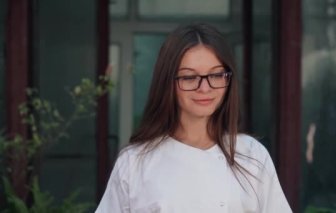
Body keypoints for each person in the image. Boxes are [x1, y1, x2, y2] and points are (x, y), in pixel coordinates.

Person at [96, 23, 292, 213]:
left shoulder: (252, 155)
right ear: (167, 83)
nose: (204, 88)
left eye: (216, 75)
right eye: (189, 77)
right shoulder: (135, 162)